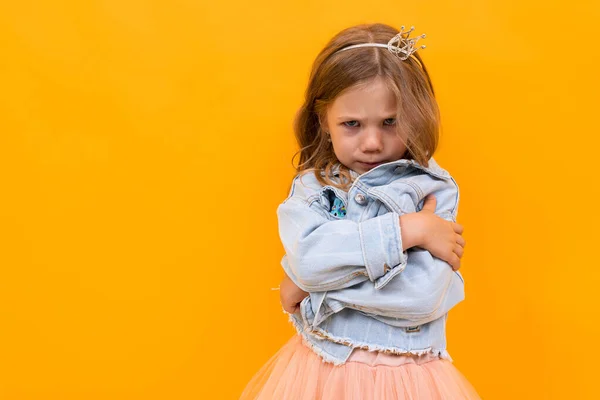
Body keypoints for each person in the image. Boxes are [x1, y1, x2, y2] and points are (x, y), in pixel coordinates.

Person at [240, 23, 482, 399]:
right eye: (352, 124)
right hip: (323, 373)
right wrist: (409, 230)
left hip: (410, 380)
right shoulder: (314, 190)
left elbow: (421, 297)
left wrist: (314, 290)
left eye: (390, 122)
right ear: (324, 121)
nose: (372, 143)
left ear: (415, 115)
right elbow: (309, 258)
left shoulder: (433, 189)